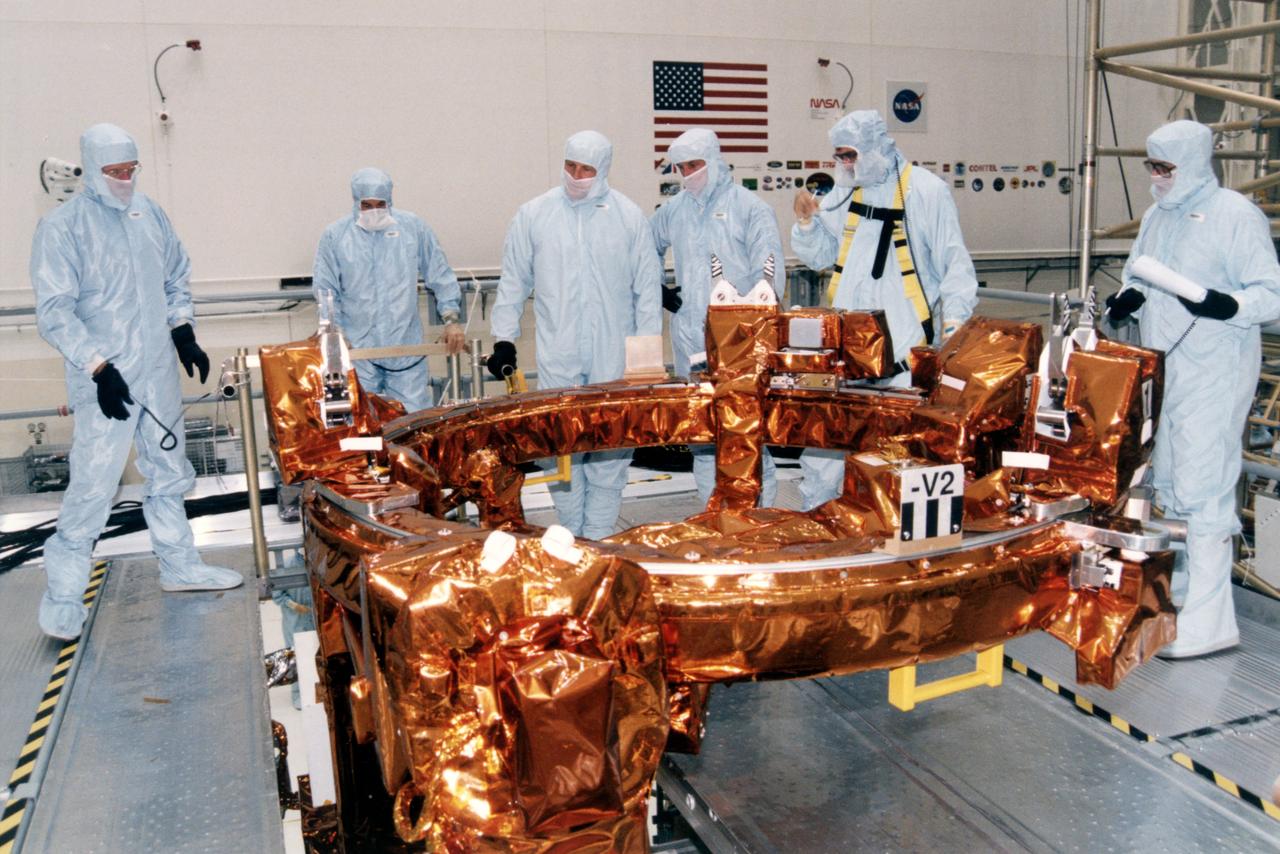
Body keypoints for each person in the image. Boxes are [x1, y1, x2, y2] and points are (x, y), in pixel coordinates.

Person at [30, 123, 242, 641]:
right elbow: (55, 311)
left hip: (156, 372)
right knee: (94, 485)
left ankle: (179, 567)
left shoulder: (149, 214)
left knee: (168, 469)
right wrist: (98, 367)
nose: (125, 180)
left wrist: (184, 331)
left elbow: (175, 277)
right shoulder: (63, 228)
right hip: (106, 379)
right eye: (114, 172)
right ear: (90, 171)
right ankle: (62, 596)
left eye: (131, 170)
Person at [1106, 120, 1280, 658]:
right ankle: (1184, 595)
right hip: (1166, 372)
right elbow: (1141, 272)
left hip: (1215, 372)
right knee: (1170, 485)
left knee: (1204, 489)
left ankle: (1213, 620)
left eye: (1166, 169)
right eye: (1152, 168)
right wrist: (1127, 299)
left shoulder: (1235, 216)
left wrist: (1228, 305)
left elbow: (1270, 296)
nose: (1156, 179)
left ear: (1195, 164)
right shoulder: (1159, 216)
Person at [792, 110, 978, 510]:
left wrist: (953, 334)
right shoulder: (844, 193)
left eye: (850, 155)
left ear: (875, 148)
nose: (844, 164)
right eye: (839, 156)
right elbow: (822, 257)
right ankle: (819, 533)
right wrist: (807, 224)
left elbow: (956, 267)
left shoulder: (925, 192)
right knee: (825, 451)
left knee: (895, 457)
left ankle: (890, 540)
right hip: (847, 348)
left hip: (903, 350)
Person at [487, 131, 661, 538]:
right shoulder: (535, 214)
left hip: (613, 353)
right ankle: (569, 534)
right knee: (560, 447)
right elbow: (513, 279)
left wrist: (648, 354)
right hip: (558, 350)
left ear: (603, 170)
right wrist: (503, 338)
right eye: (570, 166)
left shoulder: (628, 216)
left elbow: (647, 290)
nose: (576, 175)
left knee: (610, 446)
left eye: (586, 169)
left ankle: (598, 538)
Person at [651, 128, 785, 507]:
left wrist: (754, 322)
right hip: (690, 335)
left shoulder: (749, 207)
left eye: (694, 165)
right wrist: (659, 287)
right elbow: (646, 248)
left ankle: (758, 518)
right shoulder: (674, 210)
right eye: (681, 167)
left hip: (740, 339)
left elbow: (769, 269)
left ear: (713, 161)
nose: (687, 173)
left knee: (748, 430)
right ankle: (713, 516)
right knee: (702, 434)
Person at [313, 167, 464, 412]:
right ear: (355, 202)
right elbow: (325, 289)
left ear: (390, 201)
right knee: (362, 424)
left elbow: (439, 273)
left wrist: (452, 319)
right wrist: (333, 332)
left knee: (413, 423)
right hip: (357, 352)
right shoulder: (336, 236)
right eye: (367, 205)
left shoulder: (413, 228)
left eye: (380, 204)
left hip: (406, 352)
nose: (374, 211)